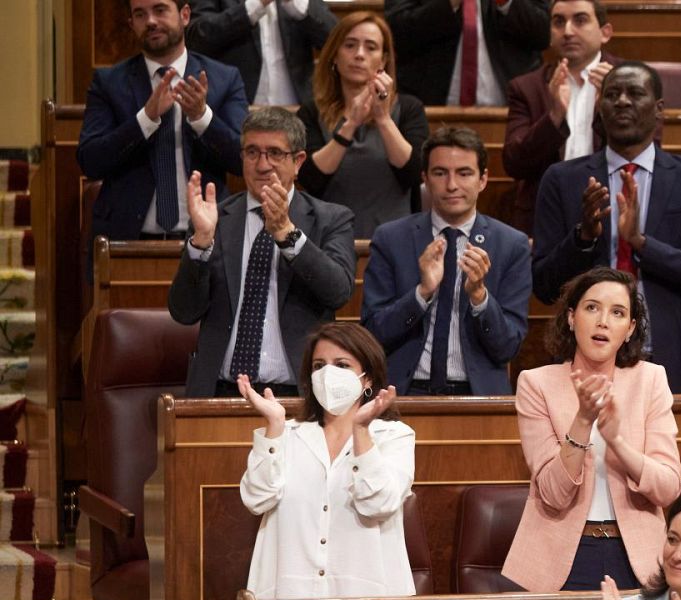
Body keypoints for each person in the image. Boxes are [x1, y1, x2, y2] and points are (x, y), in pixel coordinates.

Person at [532, 62, 681, 393]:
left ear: (659, 109)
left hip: (670, 359)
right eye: (611, 94)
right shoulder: (562, 180)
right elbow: (544, 286)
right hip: (583, 361)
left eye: (635, 93)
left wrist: (641, 243)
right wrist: (583, 238)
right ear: (600, 106)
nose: (622, 101)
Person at [501, 268, 681, 593]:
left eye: (617, 313)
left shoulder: (651, 380)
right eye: (592, 308)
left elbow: (668, 489)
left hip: (638, 559)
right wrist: (583, 422)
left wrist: (618, 443)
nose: (603, 321)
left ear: (629, 329)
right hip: (560, 558)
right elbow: (553, 494)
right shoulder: (537, 384)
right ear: (571, 318)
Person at [168, 106, 357, 398]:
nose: (262, 164)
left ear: (298, 161)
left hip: (298, 394)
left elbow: (338, 292)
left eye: (275, 153)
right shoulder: (213, 219)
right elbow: (183, 312)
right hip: (220, 392)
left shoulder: (331, 219)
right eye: (252, 152)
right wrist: (200, 243)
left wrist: (286, 232)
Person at [238, 321, 413, 600]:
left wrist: (361, 431)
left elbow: (378, 503)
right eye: (319, 366)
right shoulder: (288, 434)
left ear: (367, 378)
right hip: (288, 599)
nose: (328, 374)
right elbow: (256, 498)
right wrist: (273, 427)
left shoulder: (394, 436)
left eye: (342, 365)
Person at [361, 126, 532, 396]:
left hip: (478, 398)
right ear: (425, 179)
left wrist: (480, 298)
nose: (452, 185)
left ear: (483, 179)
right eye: (440, 173)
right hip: (403, 393)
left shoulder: (511, 245)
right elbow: (372, 335)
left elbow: (508, 346)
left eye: (464, 173)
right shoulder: (391, 239)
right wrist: (421, 293)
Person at [80, 0, 249, 243]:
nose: (150, 21)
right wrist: (145, 120)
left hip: (207, 240)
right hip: (129, 241)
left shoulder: (223, 79)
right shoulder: (108, 83)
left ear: (185, 15)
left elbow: (241, 158)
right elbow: (90, 161)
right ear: (131, 24)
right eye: (140, 15)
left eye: (160, 10)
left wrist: (201, 117)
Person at [295, 11, 428, 239]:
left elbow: (414, 174)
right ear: (334, 55)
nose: (359, 54)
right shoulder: (310, 112)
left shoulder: (408, 108)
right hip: (328, 240)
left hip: (396, 240)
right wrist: (350, 124)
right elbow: (310, 179)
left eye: (370, 47)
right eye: (350, 45)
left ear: (384, 60)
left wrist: (383, 119)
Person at [503, 0, 619, 236]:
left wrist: (611, 108)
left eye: (580, 20)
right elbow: (514, 163)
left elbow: (648, 150)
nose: (567, 31)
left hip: (612, 211)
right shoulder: (527, 87)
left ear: (605, 32)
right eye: (558, 22)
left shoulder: (631, 81)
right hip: (545, 217)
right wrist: (554, 116)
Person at [383, 0, 548, 106]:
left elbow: (545, 32)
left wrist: (505, 3)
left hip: (511, 112)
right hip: (429, 108)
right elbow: (395, 33)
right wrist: (449, 4)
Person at [186, 0, 338, 106]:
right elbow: (198, 36)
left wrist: (298, 4)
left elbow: (337, 41)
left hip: (298, 111)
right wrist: (256, 5)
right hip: (235, 111)